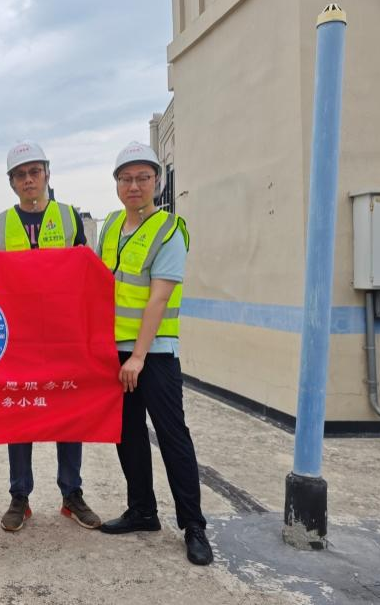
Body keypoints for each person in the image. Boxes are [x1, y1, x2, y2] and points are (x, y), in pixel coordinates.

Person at [96, 142, 213, 566]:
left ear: (157, 182)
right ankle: (142, 510)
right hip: (115, 351)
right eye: (126, 178)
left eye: (143, 178)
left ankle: (193, 525)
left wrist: (139, 357)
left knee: (171, 436)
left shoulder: (170, 229)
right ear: (116, 184)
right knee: (127, 434)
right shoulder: (111, 226)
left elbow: (158, 300)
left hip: (154, 354)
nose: (134, 186)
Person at [0, 140, 101, 532]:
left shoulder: (69, 218)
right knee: (20, 414)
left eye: (35, 172)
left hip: (63, 336)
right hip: (18, 339)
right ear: (12, 182)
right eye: (20, 175)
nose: (28, 180)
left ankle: (72, 494)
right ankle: (20, 496)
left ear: (47, 174)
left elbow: (87, 275)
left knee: (68, 413)